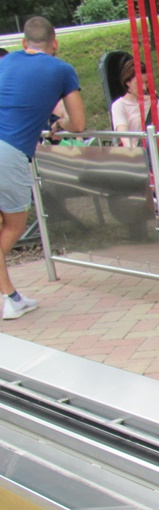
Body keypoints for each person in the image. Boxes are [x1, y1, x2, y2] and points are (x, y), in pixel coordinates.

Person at [0, 16, 85, 321]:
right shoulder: (62, 69)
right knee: (13, 226)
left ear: (24, 43)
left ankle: (12, 298)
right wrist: (59, 124)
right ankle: (10, 300)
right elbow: (79, 124)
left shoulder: (6, 62)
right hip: (9, 152)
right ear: (55, 44)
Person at [110, 58, 159, 148]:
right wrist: (137, 153)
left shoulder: (154, 101)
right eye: (138, 83)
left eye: (146, 82)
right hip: (139, 151)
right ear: (128, 82)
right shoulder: (119, 105)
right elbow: (124, 136)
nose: (144, 87)